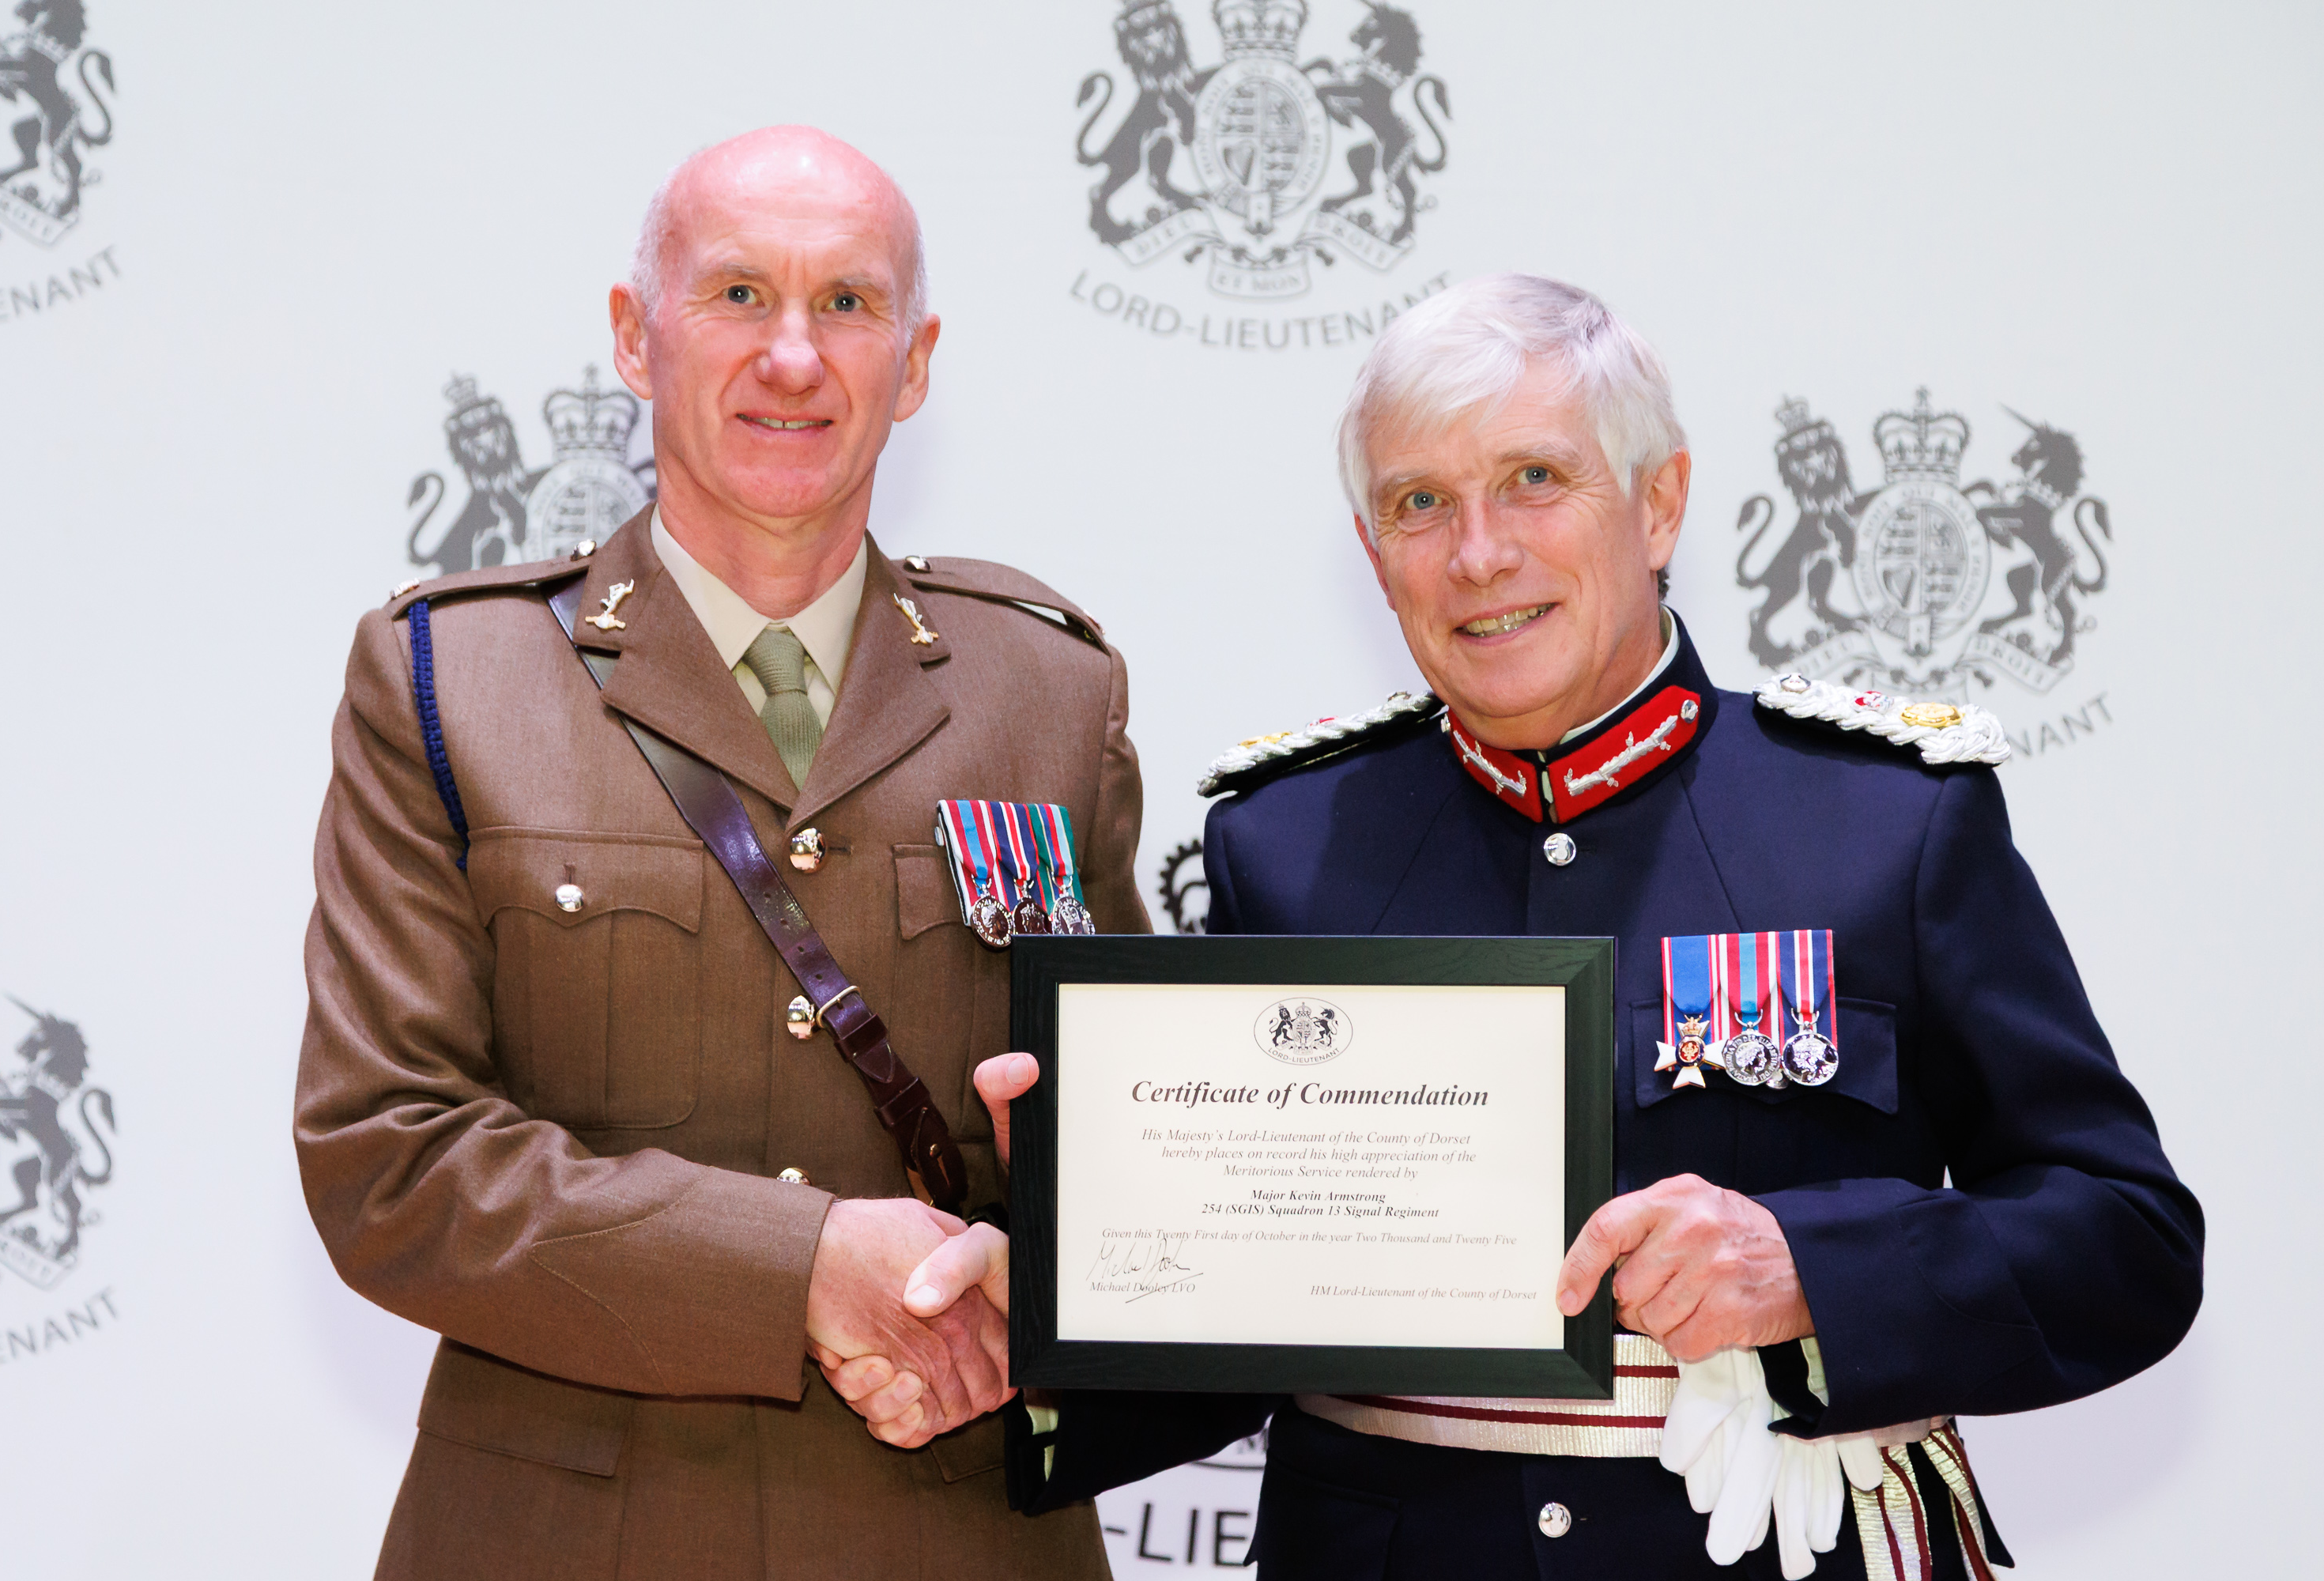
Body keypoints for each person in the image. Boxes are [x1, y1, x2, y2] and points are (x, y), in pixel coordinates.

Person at [890, 274, 2204, 1578]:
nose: (1479, 554)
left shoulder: (1885, 822)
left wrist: (1815, 1268)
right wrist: (1064, 1298)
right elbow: (1256, 1317)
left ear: (1660, 503)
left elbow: (2126, 1238)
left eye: (1534, 480)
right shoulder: (1287, 846)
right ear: (1374, 556)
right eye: (1420, 503)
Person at [296, 127, 1144, 1579]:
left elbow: (1137, 1157)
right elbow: (390, 1157)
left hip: (949, 1532)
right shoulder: (448, 681)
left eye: (848, 304)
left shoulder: (1050, 691)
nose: (793, 357)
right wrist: (798, 1267)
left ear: (916, 363)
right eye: (739, 294)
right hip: (566, 1540)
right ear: (638, 336)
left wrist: (1040, 1271)